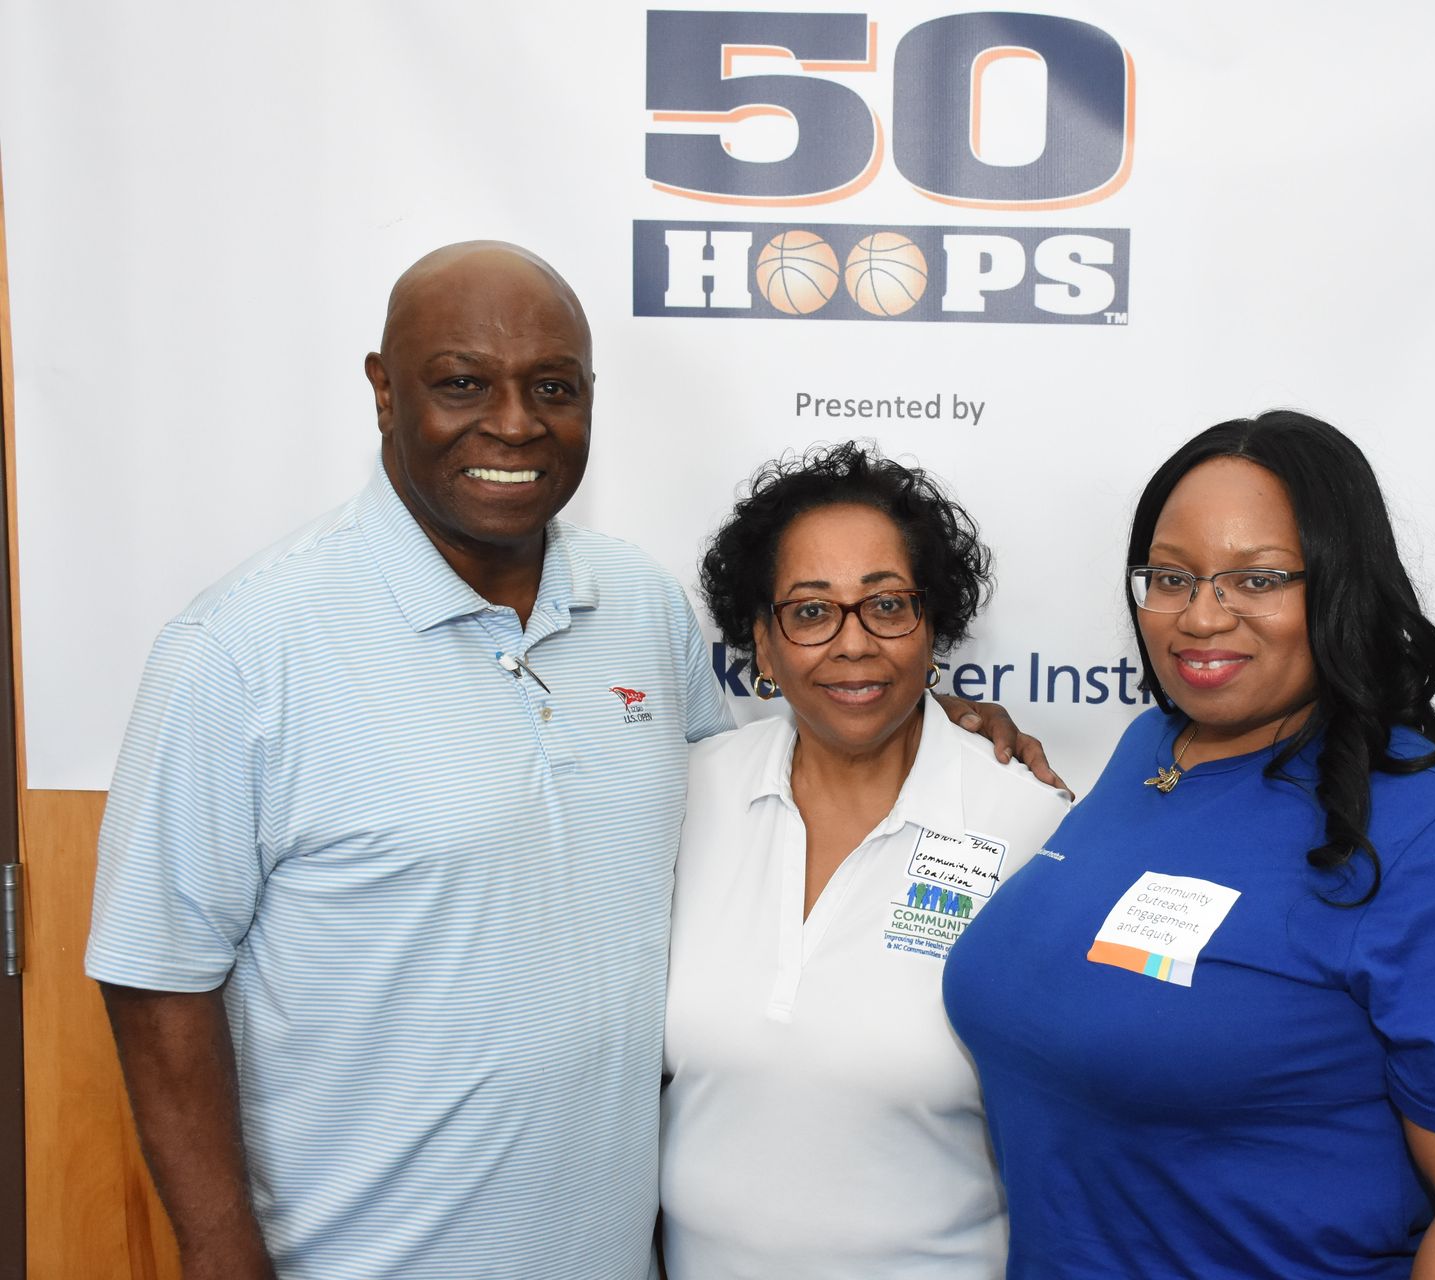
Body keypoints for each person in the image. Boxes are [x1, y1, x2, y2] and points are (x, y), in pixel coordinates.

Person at [85, 243, 1049, 1280]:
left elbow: (762, 799)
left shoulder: (638, 607)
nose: (512, 423)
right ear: (382, 390)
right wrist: (221, 1249)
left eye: (553, 387)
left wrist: (921, 721)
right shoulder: (240, 647)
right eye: (462, 382)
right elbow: (156, 975)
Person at [943, 411, 1435, 1280]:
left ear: (1341, 586)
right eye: (1171, 577)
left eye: (1259, 579)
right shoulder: (1149, 751)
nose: (1201, 618)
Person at [660, 442, 1070, 1280]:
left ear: (932, 630)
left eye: (886, 605)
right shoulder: (682, 801)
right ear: (762, 649)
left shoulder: (1026, 824)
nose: (853, 644)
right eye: (811, 612)